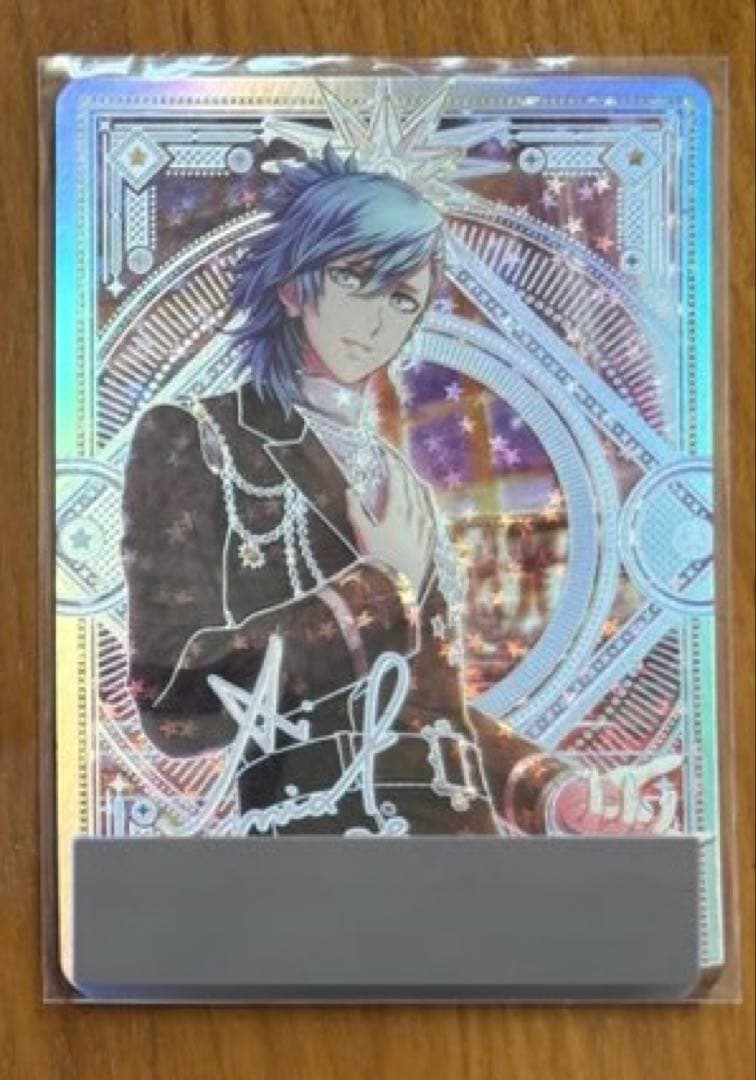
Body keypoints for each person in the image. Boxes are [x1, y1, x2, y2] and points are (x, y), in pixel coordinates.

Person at [122, 148, 670, 837]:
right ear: (292, 285)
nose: (376, 319)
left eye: (402, 298)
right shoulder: (198, 437)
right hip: (316, 846)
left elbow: (429, 704)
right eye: (354, 277)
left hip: (461, 855)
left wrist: (552, 790)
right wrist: (378, 585)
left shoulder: (399, 479)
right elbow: (173, 705)